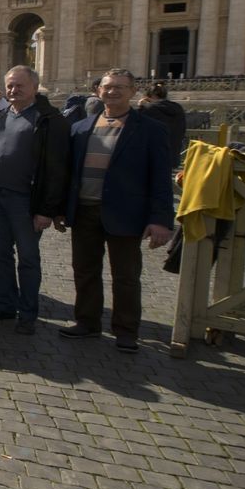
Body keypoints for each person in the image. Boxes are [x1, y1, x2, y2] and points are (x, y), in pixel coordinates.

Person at [57, 70, 174, 353]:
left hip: (126, 212)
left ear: (133, 91)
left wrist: (160, 220)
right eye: (108, 88)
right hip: (85, 210)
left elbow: (160, 179)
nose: (113, 93)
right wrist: (61, 209)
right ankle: (87, 322)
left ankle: (126, 330)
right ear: (98, 92)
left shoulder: (150, 130)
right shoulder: (81, 128)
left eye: (120, 88)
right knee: (84, 270)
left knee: (126, 276)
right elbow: (67, 174)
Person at [0, 65, 71, 334]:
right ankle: (5, 305)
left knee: (28, 258)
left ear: (34, 86)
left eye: (19, 85)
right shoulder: (1, 116)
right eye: (9, 85)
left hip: (26, 201)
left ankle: (28, 314)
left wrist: (46, 210)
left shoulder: (49, 120)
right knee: (0, 255)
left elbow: (57, 170)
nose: (13, 90)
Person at [138, 82, 187, 168]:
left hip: (151, 158)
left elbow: (137, 128)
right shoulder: (178, 108)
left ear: (150, 96)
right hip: (172, 156)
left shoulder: (149, 110)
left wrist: (141, 107)